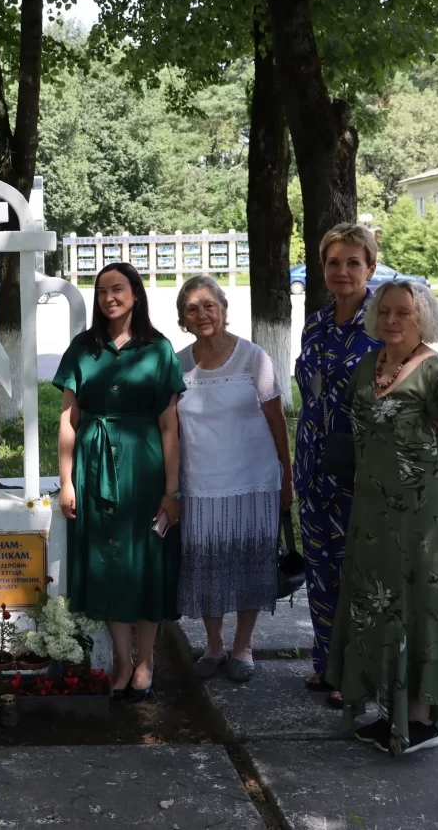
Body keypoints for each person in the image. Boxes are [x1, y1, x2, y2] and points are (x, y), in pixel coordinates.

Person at [327, 279, 438, 756]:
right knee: (377, 605)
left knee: (418, 607)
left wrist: (437, 503)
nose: (392, 320)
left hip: (422, 517)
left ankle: (422, 720)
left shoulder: (436, 373)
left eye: (404, 313)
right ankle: (392, 709)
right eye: (385, 311)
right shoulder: (367, 365)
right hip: (371, 512)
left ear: (423, 319)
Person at [54, 262, 184, 703]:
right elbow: (68, 419)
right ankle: (122, 661)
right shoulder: (83, 348)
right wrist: (67, 481)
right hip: (94, 466)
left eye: (118, 288)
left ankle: (146, 661)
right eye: (102, 290)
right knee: (107, 559)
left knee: (146, 559)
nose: (109, 297)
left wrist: (171, 490)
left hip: (144, 468)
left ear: (136, 294)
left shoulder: (158, 348)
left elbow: (169, 425)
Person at [173, 275, 292, 683]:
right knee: (206, 564)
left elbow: (277, 420)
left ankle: (243, 646)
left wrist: (287, 476)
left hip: (253, 481)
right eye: (192, 309)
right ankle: (214, 645)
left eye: (210, 305)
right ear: (183, 319)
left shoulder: (253, 358)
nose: (202, 314)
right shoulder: (178, 364)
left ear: (224, 309)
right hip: (199, 483)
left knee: (249, 561)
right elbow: (169, 428)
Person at [293, 223, 383, 705]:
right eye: (333, 262)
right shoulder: (316, 324)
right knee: (321, 569)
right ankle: (327, 663)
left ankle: (359, 674)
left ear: (371, 267)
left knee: (358, 572)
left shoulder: (384, 324)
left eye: (353, 262)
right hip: (313, 466)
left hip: (359, 469)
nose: (342, 271)